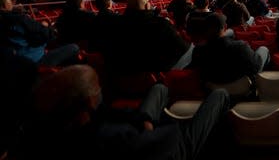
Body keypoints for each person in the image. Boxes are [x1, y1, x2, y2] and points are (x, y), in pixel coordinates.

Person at [17, 64, 231, 160]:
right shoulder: (114, 140)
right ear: (90, 101)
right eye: (97, 89)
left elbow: (106, 113)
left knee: (159, 88)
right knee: (219, 95)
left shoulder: (34, 137)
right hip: (168, 147)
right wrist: (149, 128)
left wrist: (142, 119)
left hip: (142, 132)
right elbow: (171, 136)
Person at [0, 0, 79, 67]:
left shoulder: (11, 19)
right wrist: (47, 26)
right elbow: (47, 35)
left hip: (12, 62)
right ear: (4, 5)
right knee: (74, 47)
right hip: (33, 62)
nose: (12, 1)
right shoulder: (20, 19)